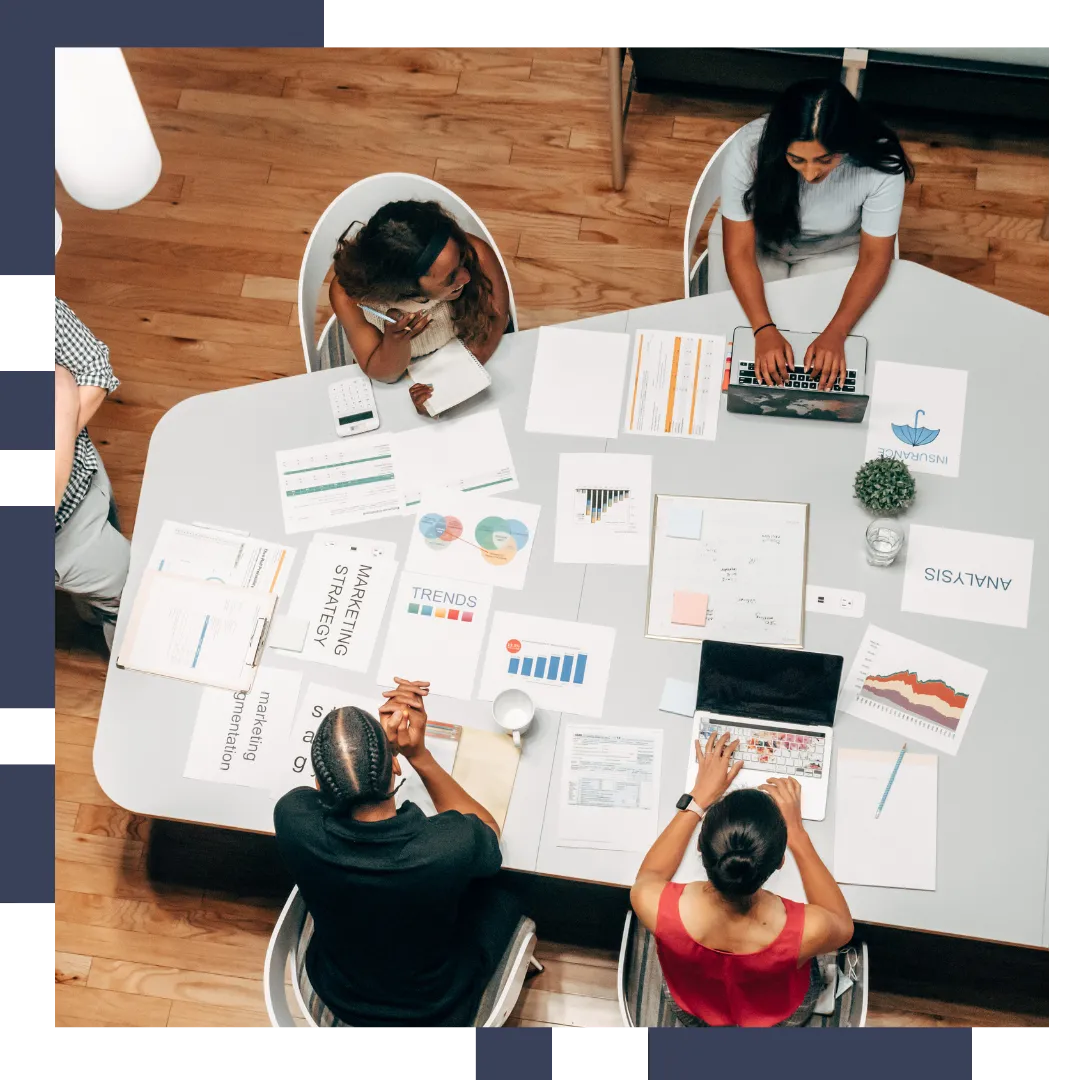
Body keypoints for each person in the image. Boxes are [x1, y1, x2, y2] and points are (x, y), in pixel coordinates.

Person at [273, 677, 523, 1029]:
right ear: (394, 768)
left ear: (317, 785)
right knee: (505, 895)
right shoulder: (448, 845)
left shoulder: (293, 819)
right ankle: (517, 1056)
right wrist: (417, 753)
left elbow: (323, 796)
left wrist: (368, 761)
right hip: (438, 1008)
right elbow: (488, 832)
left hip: (340, 994)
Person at [630, 732, 854, 1027]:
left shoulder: (651, 903)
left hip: (693, 1007)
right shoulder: (808, 930)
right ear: (780, 862)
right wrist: (797, 835)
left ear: (700, 846)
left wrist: (698, 800)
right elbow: (843, 924)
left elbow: (650, 874)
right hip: (775, 1015)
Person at [708, 78, 915, 390]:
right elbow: (738, 251)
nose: (810, 173)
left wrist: (836, 331)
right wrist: (763, 328)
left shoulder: (879, 164)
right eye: (796, 159)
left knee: (830, 353)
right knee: (732, 344)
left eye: (826, 159)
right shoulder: (749, 148)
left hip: (832, 247)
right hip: (759, 243)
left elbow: (875, 258)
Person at [328, 200, 512, 414]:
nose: (467, 276)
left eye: (461, 259)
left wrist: (447, 389)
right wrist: (396, 341)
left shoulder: (476, 253)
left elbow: (494, 323)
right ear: (405, 290)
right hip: (401, 373)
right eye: (450, 278)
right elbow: (386, 375)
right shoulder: (347, 297)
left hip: (468, 352)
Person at [53, 296, 131, 650]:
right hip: (62, 537)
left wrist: (59, 426)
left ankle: (94, 606)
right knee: (132, 595)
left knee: (109, 531)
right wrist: (62, 404)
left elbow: (93, 366)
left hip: (86, 473)